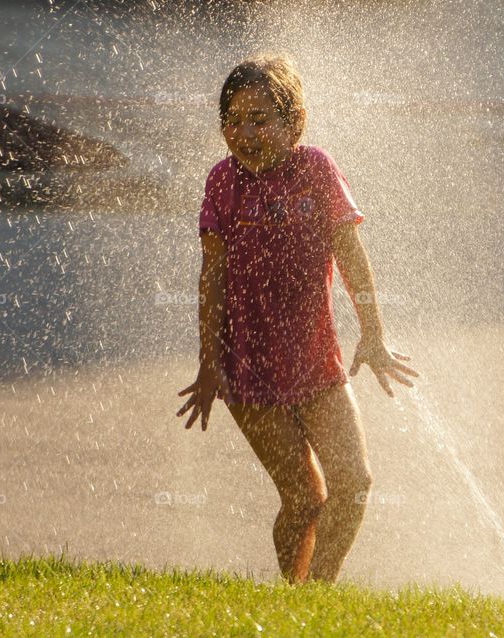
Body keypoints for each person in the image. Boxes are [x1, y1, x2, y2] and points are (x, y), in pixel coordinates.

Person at [176, 53, 418, 585]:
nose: (244, 132)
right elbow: (211, 278)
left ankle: (317, 594)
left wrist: (374, 334)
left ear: (295, 122)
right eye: (232, 120)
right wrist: (209, 363)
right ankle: (293, 598)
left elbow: (352, 257)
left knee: (353, 483)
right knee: (305, 498)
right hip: (249, 371)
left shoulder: (316, 170)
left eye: (260, 119)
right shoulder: (223, 182)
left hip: (316, 361)